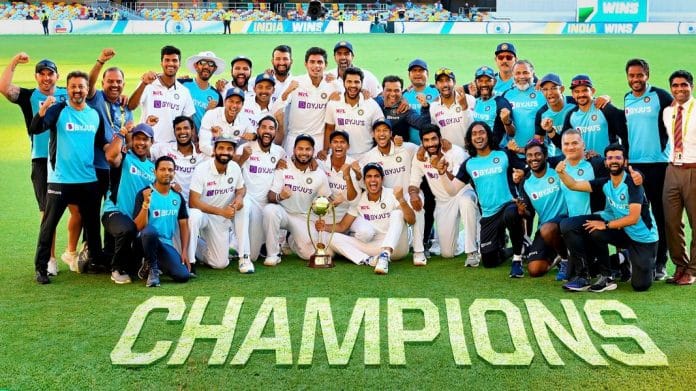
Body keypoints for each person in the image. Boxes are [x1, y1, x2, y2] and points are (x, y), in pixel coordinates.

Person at [29, 71, 121, 284]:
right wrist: (41, 113)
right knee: (49, 225)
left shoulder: (94, 115)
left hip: (88, 180)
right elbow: (36, 129)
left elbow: (103, 144)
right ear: (67, 89)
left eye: (81, 86)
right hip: (60, 180)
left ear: (87, 89)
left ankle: (96, 260)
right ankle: (41, 268)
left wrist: (121, 141)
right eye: (73, 87)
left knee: (91, 226)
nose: (78, 90)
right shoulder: (58, 110)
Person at [0, 54, 68, 275]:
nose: (46, 78)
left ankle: (76, 252)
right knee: (46, 211)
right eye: (42, 74)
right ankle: (50, 259)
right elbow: (4, 87)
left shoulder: (66, 94)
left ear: (57, 76)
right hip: (41, 159)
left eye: (50, 74)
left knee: (78, 208)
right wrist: (14, 62)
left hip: (67, 158)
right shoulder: (29, 96)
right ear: (36, 76)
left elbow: (92, 94)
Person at [556, 144, 658, 292]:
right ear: (605, 162)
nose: (614, 161)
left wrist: (606, 225)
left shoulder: (633, 184)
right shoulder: (605, 183)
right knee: (572, 225)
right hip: (622, 231)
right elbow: (574, 185)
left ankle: (627, 257)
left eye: (618, 157)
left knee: (640, 286)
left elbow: (634, 218)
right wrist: (561, 173)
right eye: (610, 158)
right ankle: (602, 277)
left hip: (643, 239)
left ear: (625, 161)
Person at [441, 121, 527, 275]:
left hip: (509, 206)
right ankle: (513, 247)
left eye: (481, 132)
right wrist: (442, 173)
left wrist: (521, 179)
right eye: (474, 134)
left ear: (488, 135)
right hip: (488, 215)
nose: (478, 136)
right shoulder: (469, 164)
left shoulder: (504, 154)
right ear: (470, 139)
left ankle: (517, 258)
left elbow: (525, 169)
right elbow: (452, 190)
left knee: (511, 213)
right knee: (489, 261)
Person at [624, 58, 673, 280]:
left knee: (659, 214)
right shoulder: (626, 99)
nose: (636, 79)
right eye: (632, 75)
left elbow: (677, 118)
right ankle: (642, 260)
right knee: (638, 213)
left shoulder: (661, 96)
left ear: (647, 75)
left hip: (659, 164)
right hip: (635, 166)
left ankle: (661, 262)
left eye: (639, 75)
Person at [318, 163, 416, 274]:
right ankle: (368, 260)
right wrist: (324, 226)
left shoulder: (392, 194)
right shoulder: (360, 200)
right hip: (374, 247)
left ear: (382, 179)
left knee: (397, 214)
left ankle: (385, 255)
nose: (373, 180)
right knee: (333, 238)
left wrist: (401, 200)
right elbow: (343, 226)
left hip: (397, 246)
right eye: (369, 176)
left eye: (376, 176)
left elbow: (411, 220)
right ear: (364, 181)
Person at [411, 125, 480, 263]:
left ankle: (473, 250)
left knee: (466, 203)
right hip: (443, 202)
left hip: (462, 193)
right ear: (422, 143)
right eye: (426, 140)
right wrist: (413, 194)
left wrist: (440, 168)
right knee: (447, 253)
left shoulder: (456, 152)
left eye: (433, 139)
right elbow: (414, 181)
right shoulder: (420, 157)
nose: (431, 144)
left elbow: (456, 184)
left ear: (440, 139)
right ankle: (464, 237)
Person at [262, 134, 331, 266]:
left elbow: (325, 199)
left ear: (313, 151)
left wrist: (333, 203)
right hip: (283, 213)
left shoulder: (319, 173)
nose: (304, 153)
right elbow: (270, 196)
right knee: (269, 210)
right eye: (300, 149)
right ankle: (273, 254)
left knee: (308, 254)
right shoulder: (283, 166)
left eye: (307, 149)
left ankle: (290, 239)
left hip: (303, 217)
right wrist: (280, 196)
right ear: (294, 150)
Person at [188, 132, 251, 273]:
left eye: (229, 149)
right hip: (204, 215)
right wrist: (221, 212)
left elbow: (241, 189)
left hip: (220, 220)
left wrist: (239, 198)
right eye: (221, 148)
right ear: (215, 150)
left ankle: (198, 245)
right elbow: (193, 202)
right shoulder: (202, 169)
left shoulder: (234, 167)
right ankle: (190, 262)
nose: (225, 152)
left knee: (220, 263)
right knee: (194, 215)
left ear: (233, 152)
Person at [102, 124, 155, 284]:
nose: (141, 143)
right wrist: (121, 133)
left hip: (138, 218)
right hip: (115, 212)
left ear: (151, 142)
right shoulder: (125, 158)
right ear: (131, 140)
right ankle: (117, 269)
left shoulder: (154, 168)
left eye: (145, 139)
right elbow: (110, 157)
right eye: (137, 138)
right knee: (127, 228)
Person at [235, 115, 287, 261]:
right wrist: (244, 157)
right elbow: (233, 171)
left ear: (275, 133)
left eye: (271, 128)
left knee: (253, 256)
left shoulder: (279, 152)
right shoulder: (245, 148)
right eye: (263, 127)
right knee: (250, 256)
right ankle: (240, 253)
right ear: (257, 130)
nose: (267, 131)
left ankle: (266, 248)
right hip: (249, 201)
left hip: (266, 205)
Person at [134, 156, 191, 287]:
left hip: (165, 244)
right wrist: (145, 204)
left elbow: (184, 225)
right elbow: (138, 226)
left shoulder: (177, 196)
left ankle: (151, 263)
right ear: (155, 172)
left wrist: (184, 252)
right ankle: (153, 270)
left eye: (170, 170)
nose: (167, 173)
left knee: (183, 276)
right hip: (144, 241)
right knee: (150, 231)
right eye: (162, 169)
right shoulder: (144, 193)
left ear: (174, 173)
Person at [662, 69, 696, 285]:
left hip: (694, 168)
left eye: (684, 85)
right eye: (675, 86)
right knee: (671, 222)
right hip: (672, 169)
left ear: (691, 86)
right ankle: (680, 265)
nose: (679, 89)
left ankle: (692, 270)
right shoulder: (669, 111)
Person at [515, 141, 568, 277]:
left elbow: (572, 156)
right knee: (535, 269)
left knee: (548, 229)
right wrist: (522, 211)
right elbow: (529, 213)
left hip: (566, 221)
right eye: (530, 155)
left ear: (545, 155)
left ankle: (566, 260)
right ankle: (558, 254)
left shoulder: (557, 167)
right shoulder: (525, 182)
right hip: (545, 228)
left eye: (538, 154)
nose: (534, 158)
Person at [275, 47, 340, 155]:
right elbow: (275, 109)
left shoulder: (332, 84)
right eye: (312, 62)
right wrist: (287, 92)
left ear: (326, 65)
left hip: (319, 141)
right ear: (306, 64)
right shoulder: (295, 82)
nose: (316, 66)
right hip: (294, 139)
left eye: (320, 62)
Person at [127, 45, 195, 144]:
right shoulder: (148, 83)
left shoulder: (184, 91)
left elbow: (188, 122)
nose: (171, 63)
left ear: (179, 64)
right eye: (167, 60)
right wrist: (144, 84)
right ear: (161, 63)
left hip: (172, 147)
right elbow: (131, 106)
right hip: (148, 144)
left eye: (174, 60)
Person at [556, 75, 627, 157]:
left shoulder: (605, 108)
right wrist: (550, 131)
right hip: (585, 166)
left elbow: (625, 135)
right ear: (573, 94)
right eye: (577, 91)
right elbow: (563, 142)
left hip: (608, 164)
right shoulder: (571, 115)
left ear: (592, 91)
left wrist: (624, 157)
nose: (581, 94)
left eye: (585, 90)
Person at [323, 67, 384, 160]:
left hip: (366, 156)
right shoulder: (334, 103)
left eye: (356, 82)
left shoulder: (371, 104)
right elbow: (329, 128)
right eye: (349, 81)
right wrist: (325, 150)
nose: (353, 85)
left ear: (362, 84)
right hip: (340, 156)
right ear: (343, 83)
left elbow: (381, 130)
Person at [150, 116, 208, 202]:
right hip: (168, 203)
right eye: (178, 129)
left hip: (193, 206)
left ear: (192, 131)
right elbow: (141, 150)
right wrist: (147, 126)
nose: (182, 132)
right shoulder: (164, 148)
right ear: (174, 132)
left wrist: (205, 145)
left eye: (186, 128)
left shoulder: (202, 155)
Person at [502, 60, 545, 155]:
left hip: (541, 154)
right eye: (518, 73)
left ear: (532, 74)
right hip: (515, 153)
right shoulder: (507, 95)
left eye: (525, 73)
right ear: (513, 75)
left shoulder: (542, 92)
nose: (521, 76)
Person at [198, 87, 255, 157]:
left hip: (231, 160)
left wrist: (253, 136)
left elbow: (254, 135)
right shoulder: (211, 114)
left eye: (238, 102)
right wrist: (222, 156)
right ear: (225, 102)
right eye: (231, 101)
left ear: (242, 105)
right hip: (210, 158)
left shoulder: (244, 119)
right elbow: (203, 145)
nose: (234, 106)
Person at [375, 75, 431, 142]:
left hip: (399, 150)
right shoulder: (375, 103)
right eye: (389, 90)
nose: (392, 94)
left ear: (401, 92)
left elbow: (423, 125)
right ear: (383, 91)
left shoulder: (405, 109)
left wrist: (425, 107)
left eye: (396, 90)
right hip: (376, 151)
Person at [429, 68, 475, 148]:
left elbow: (473, 126)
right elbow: (435, 133)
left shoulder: (469, 99)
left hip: (469, 152)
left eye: (448, 80)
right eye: (441, 81)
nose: (445, 84)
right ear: (436, 85)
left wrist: (464, 107)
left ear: (454, 82)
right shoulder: (433, 107)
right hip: (448, 154)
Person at [470, 65, 514, 148]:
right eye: (480, 81)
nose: (484, 84)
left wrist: (507, 122)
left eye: (488, 81)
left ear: (494, 82)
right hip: (477, 151)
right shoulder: (474, 101)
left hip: (496, 152)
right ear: (475, 82)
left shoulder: (501, 103)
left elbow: (511, 133)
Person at [533, 73, 576, 157]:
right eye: (545, 89)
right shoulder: (541, 114)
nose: (550, 92)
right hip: (559, 157)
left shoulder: (574, 102)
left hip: (581, 153)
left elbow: (591, 102)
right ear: (542, 92)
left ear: (562, 89)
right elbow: (538, 141)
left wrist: (605, 98)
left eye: (554, 88)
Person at [181, 51, 224, 131]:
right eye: (203, 62)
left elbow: (218, 123)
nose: (207, 67)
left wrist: (209, 113)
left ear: (214, 69)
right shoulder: (182, 84)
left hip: (203, 140)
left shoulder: (217, 96)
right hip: (180, 138)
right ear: (196, 66)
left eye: (211, 64)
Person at [403, 59, 439, 144]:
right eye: (414, 71)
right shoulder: (404, 96)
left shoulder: (437, 91)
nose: (417, 74)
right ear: (409, 75)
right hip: (411, 147)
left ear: (427, 74)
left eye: (421, 70)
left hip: (435, 144)